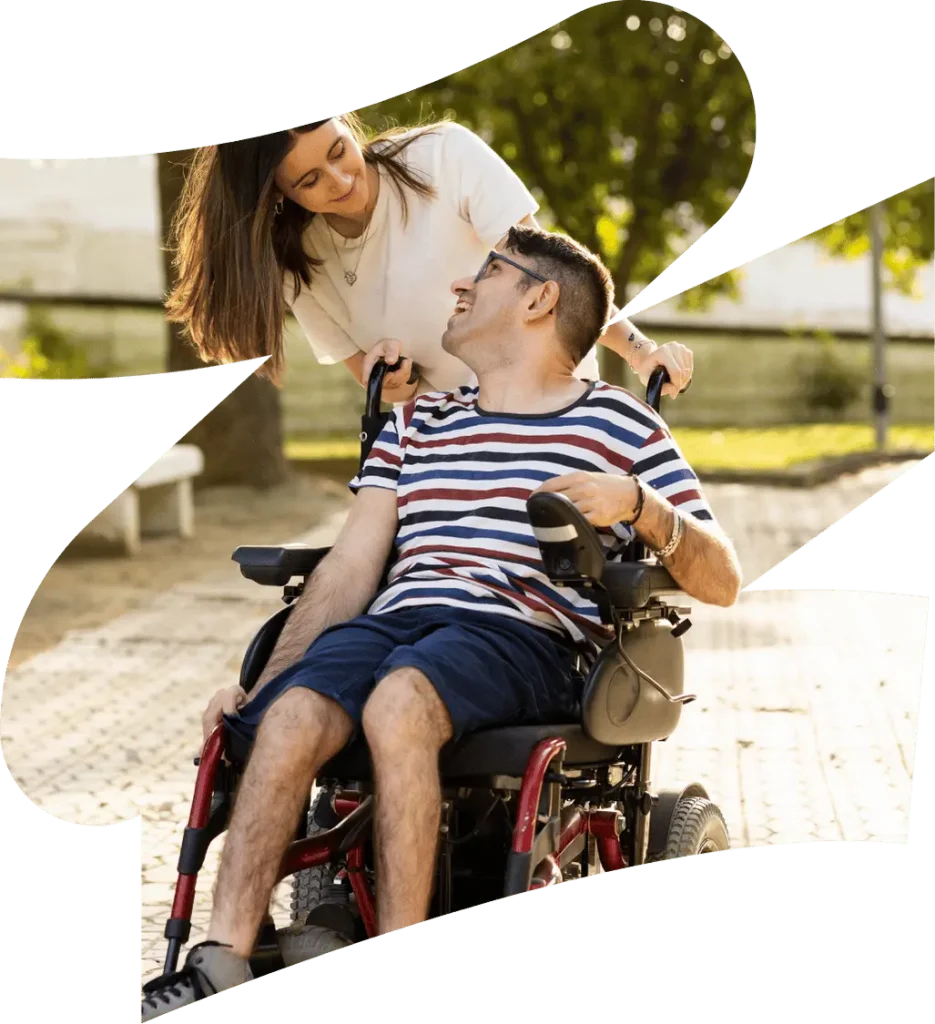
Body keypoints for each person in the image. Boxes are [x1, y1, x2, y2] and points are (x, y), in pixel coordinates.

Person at [141, 225, 738, 1021]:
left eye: (488, 271)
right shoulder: (419, 423)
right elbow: (349, 570)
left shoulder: (620, 429)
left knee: (399, 701)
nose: (461, 285)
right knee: (288, 718)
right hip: (399, 619)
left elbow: (722, 577)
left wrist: (641, 507)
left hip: (520, 632)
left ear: (539, 298)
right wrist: (257, 688)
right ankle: (219, 964)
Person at [164, 112, 694, 406]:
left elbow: (556, 277)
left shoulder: (444, 157)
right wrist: (391, 376)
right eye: (310, 181)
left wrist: (641, 352)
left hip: (550, 409)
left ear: (348, 124)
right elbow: (394, 393)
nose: (342, 181)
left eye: (337, 151)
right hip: (452, 442)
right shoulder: (300, 263)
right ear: (278, 197)